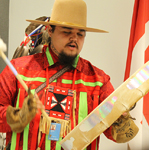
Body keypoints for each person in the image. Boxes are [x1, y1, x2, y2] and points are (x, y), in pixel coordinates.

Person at [0, 0, 139, 150]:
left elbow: (114, 133)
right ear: (50, 30)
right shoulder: (18, 70)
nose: (74, 39)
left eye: (80, 34)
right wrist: (16, 116)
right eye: (67, 32)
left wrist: (121, 120)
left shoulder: (98, 80)